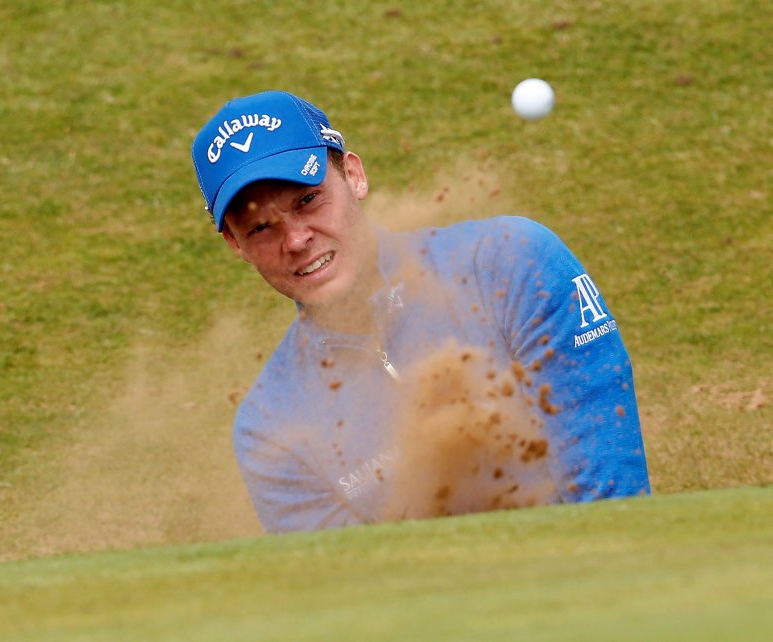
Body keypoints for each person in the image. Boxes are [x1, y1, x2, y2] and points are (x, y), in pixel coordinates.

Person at [191, 90, 650, 533]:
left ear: (354, 176)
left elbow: (613, 504)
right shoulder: (271, 429)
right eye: (260, 228)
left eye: (308, 200)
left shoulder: (511, 263)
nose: (295, 240)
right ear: (236, 246)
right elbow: (357, 591)